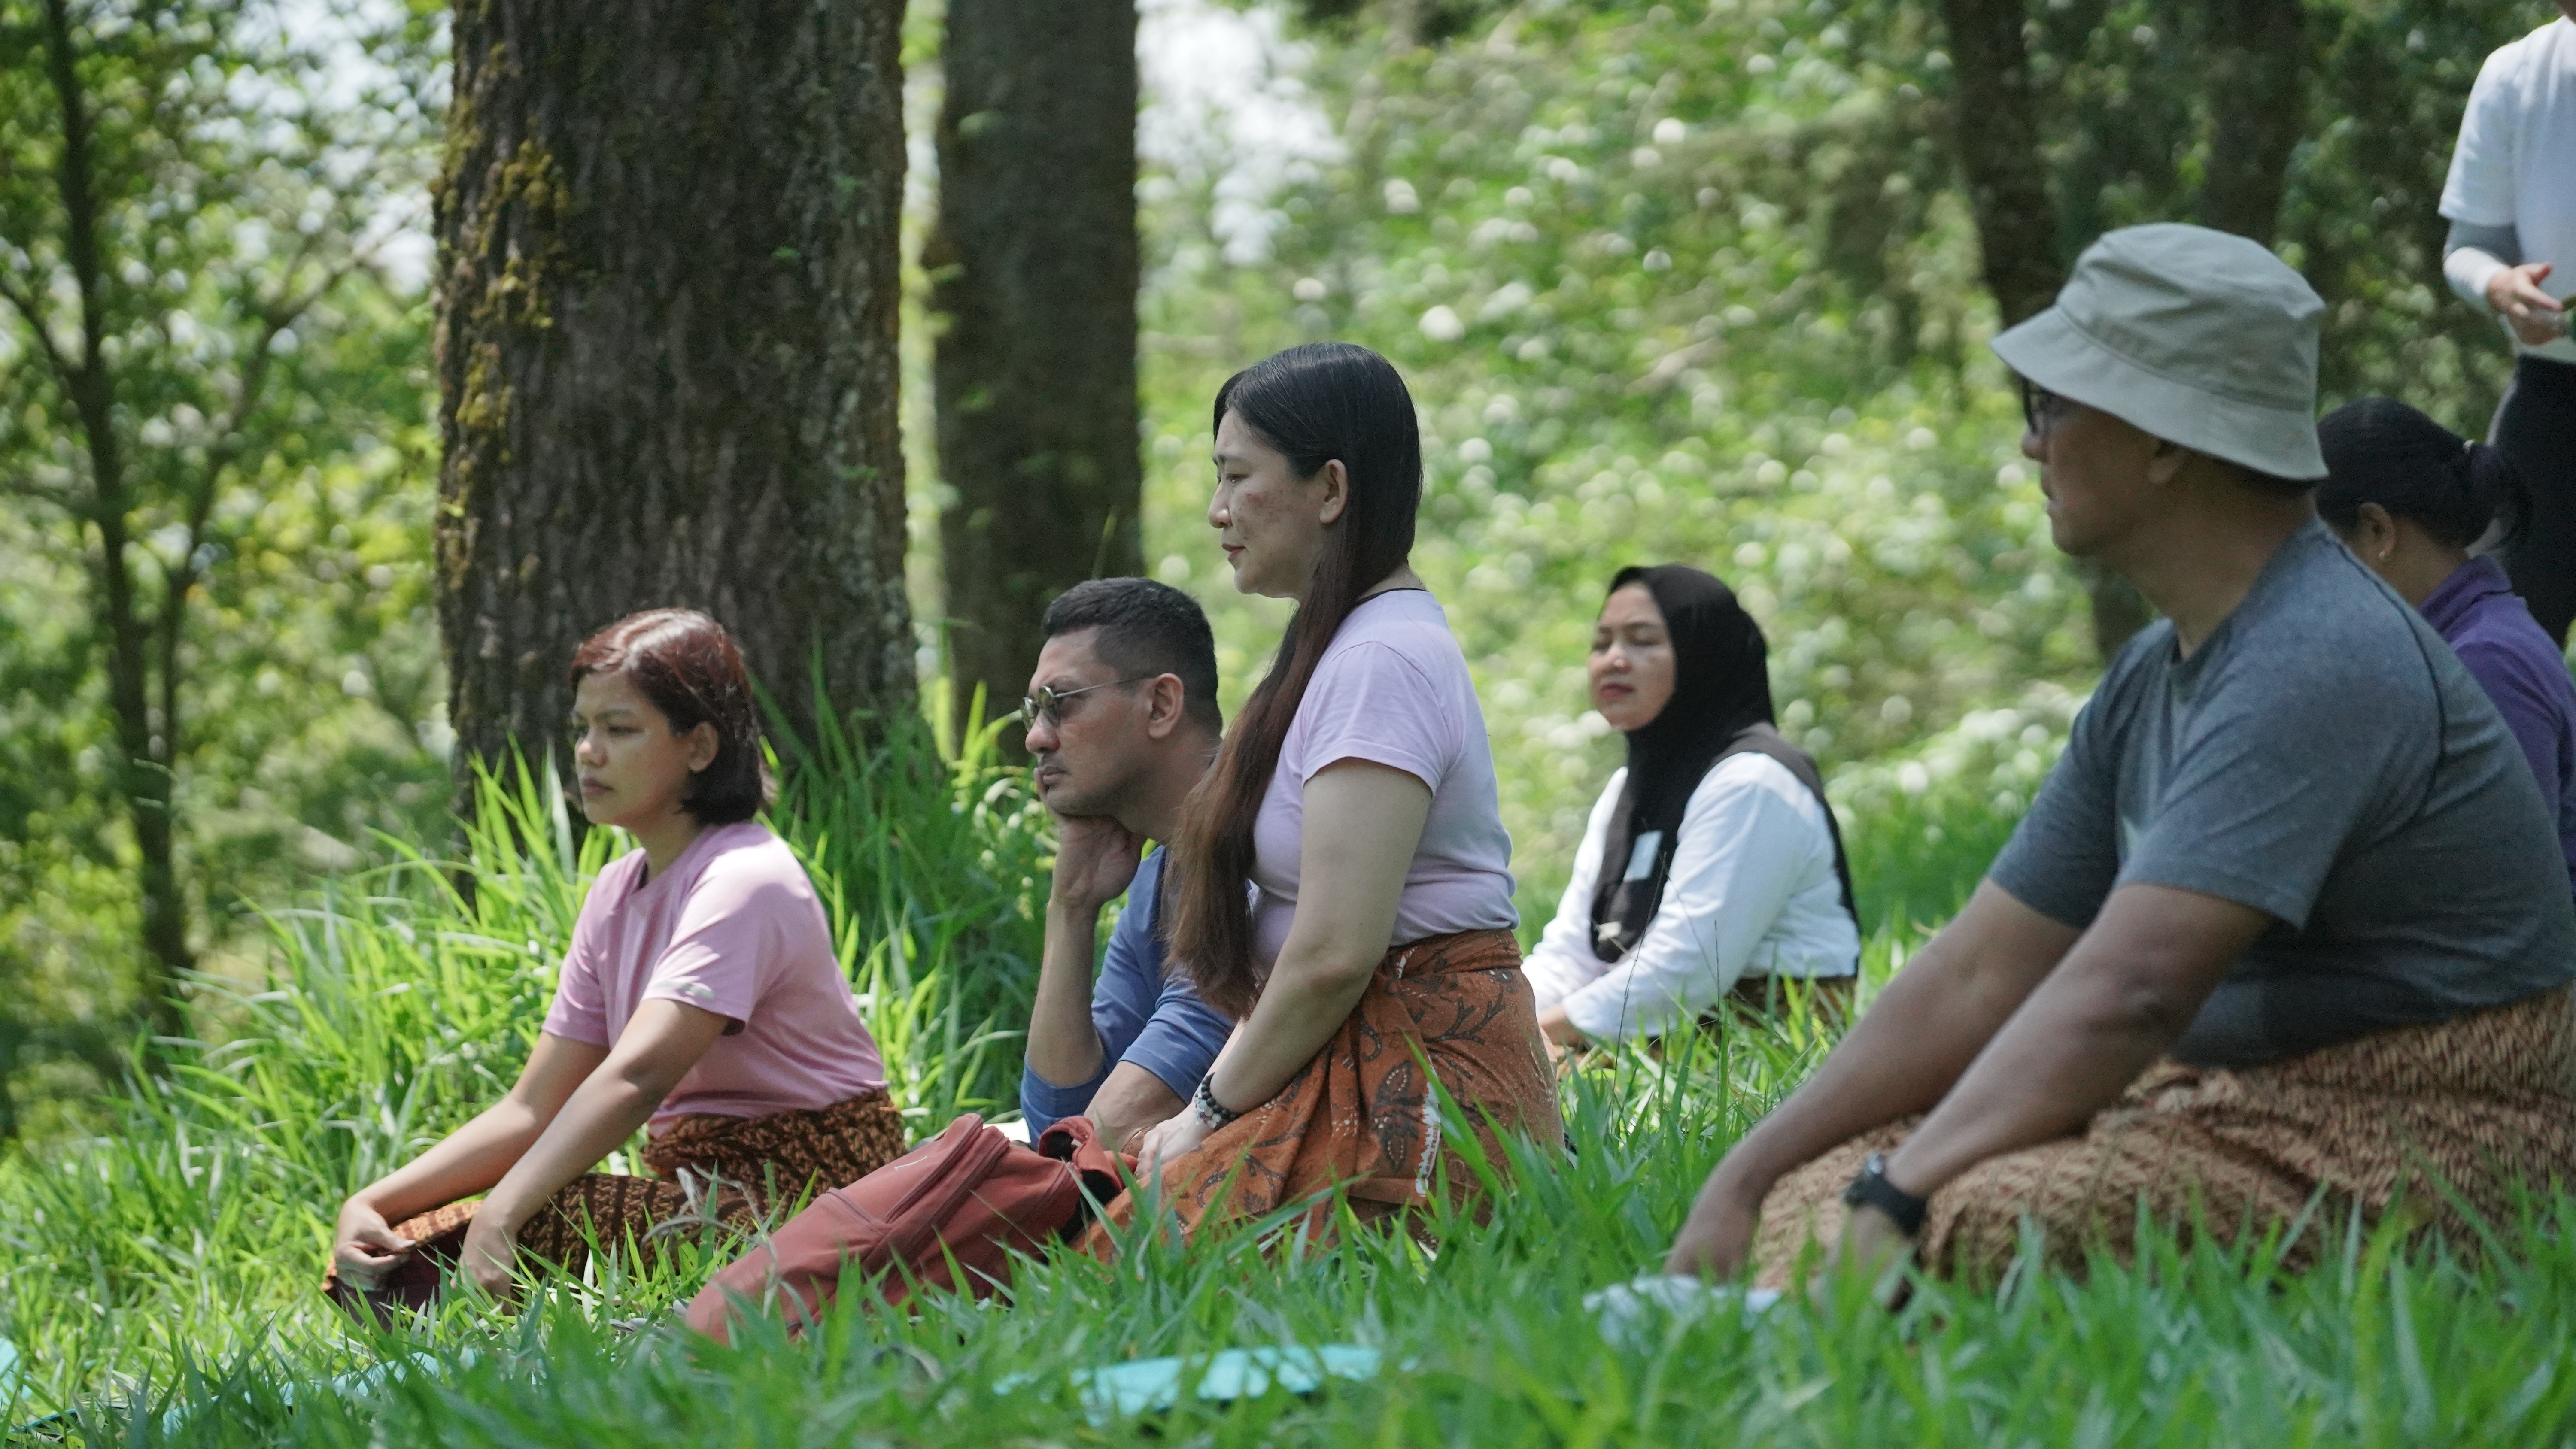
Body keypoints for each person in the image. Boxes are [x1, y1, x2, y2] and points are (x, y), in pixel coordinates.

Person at [1664, 225, 2576, 1294]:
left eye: (2050, 407)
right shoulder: (2156, 669)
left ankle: (1818, 1314)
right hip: (2234, 1098)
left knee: (1975, 1219)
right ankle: (1809, 1300)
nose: (2031, 445)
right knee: (1824, 1176)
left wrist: (1898, 1195)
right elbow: (1981, 968)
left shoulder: (2321, 655)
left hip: (2433, 1135)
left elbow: (2133, 991)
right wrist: (1745, 1174)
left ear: (2161, 443)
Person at [1084, 341, 1560, 1248]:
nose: (1218, 510)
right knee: (1091, 1246)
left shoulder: (1381, 660)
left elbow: (1337, 950)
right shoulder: (1343, 649)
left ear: (1331, 489)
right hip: (1355, 1060)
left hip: (1424, 1088)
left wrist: (1206, 1112)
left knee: (1129, 1261)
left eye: (1237, 476)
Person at [330, 610, 903, 1302]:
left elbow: (640, 1077)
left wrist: (503, 1215)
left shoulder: (746, 877)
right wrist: (373, 1202)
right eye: (583, 728)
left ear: (699, 747)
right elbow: (533, 1109)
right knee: (388, 1251)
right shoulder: (613, 892)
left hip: (819, 1195)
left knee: (513, 1230)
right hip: (699, 1193)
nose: (588, 752)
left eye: (620, 729)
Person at [1523, 565, 1859, 1052]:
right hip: (1645, 1033)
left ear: (1705, 655)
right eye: (1601, 643)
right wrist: (1500, 1024)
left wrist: (1531, 1038)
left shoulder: (1752, 783)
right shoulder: (1626, 790)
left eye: (1643, 641)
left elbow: (1684, 970)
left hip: (1759, 1047)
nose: (1614, 659)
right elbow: (1571, 955)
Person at [2316, 397, 2576, 896]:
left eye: (2316, 548)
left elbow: (2502, 895)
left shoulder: (2487, 662)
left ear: (2377, 531)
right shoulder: (2456, 647)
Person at [1019, 578, 1233, 1152]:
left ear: (1161, 706)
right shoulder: (1158, 874)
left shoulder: (1262, 839)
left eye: (1060, 703)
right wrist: (1072, 907)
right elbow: (1058, 1116)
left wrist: (1062, 1161)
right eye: (1033, 711)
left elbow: (1076, 1149)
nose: (1036, 738)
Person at [2441, 4, 2576, 642]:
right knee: (2496, 632)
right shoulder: (2516, 73)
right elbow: (2469, 247)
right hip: (2553, 395)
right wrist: (2499, 286)